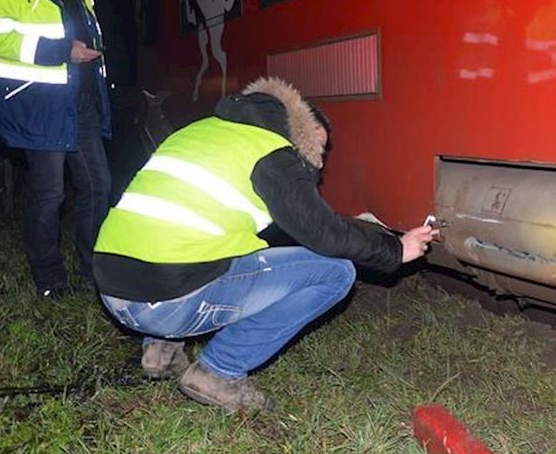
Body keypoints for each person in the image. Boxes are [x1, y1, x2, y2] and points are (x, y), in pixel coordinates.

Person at [92, 77, 435, 413]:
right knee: (335, 273)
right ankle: (219, 372)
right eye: (321, 149)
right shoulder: (273, 152)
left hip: (115, 292)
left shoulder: (203, 131)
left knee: (214, 243)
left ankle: (160, 351)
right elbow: (324, 234)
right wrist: (395, 250)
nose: (320, 162)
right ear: (308, 133)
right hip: (167, 305)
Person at [0, 0, 111, 299]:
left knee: (98, 185)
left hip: (80, 101)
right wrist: (62, 51)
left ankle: (94, 271)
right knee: (49, 193)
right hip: (40, 105)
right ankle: (50, 280)